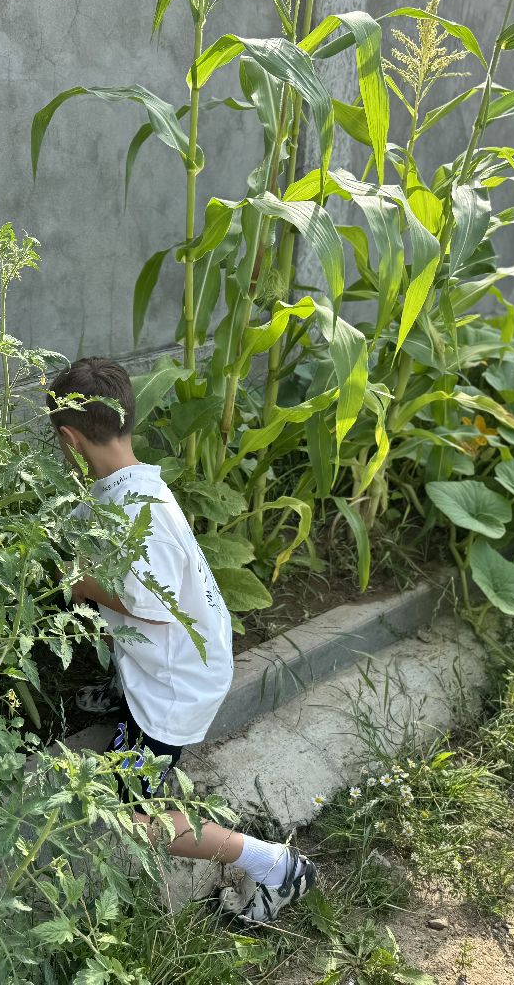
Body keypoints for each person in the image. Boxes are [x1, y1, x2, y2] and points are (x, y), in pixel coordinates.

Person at [48, 356, 316, 924]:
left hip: (175, 689)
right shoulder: (130, 486)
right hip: (176, 661)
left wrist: (78, 583)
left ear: (70, 439)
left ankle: (275, 865)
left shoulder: (134, 507)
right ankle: (121, 693)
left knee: (133, 816)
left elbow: (145, 600)